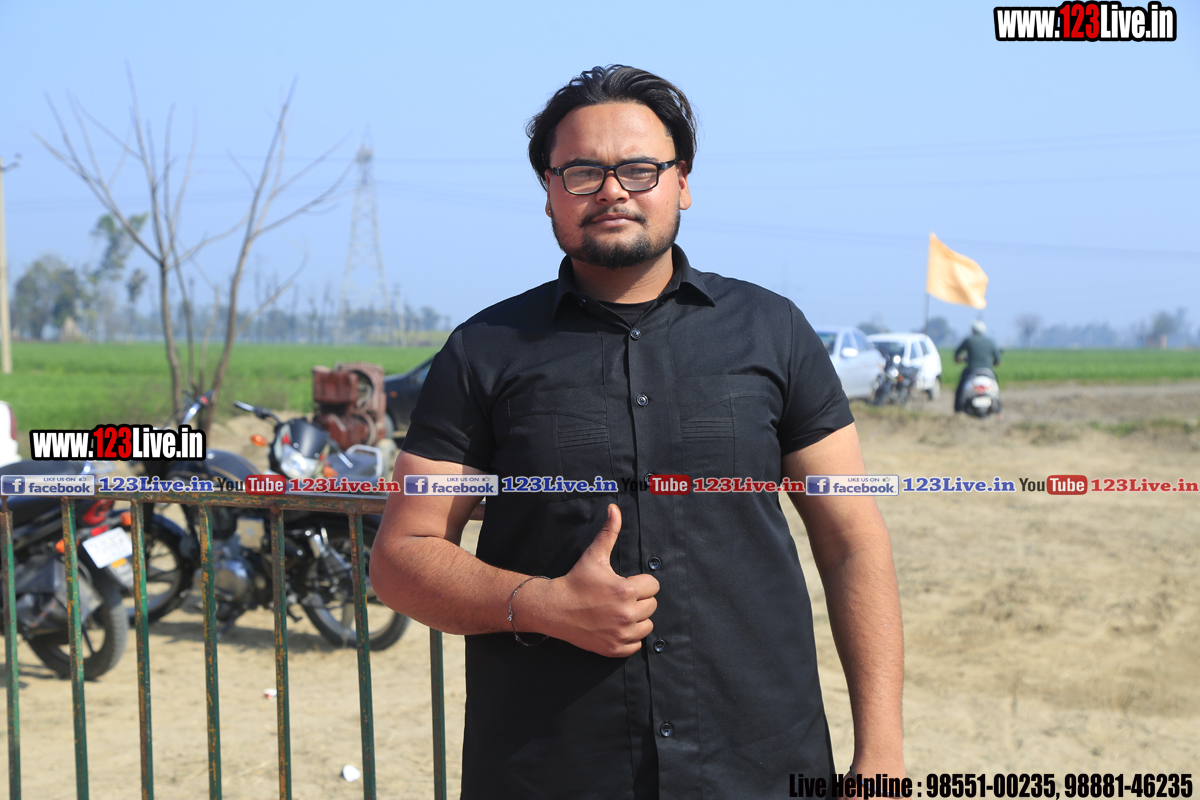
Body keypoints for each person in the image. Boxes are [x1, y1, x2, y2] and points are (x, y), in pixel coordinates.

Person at [370, 65, 905, 800]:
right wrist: (539, 604)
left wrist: (881, 754)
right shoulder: (483, 351)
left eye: (639, 169)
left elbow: (851, 542)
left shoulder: (773, 331)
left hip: (758, 764)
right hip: (551, 769)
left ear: (682, 182)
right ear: (549, 192)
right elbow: (402, 556)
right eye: (583, 172)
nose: (613, 190)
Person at [953, 320, 1002, 413]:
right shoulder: (990, 341)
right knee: (996, 387)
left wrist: (959, 359)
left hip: (971, 370)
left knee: (960, 387)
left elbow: (957, 353)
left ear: (972, 330)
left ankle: (957, 410)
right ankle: (999, 411)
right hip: (988, 371)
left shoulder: (968, 340)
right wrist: (994, 362)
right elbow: (998, 360)